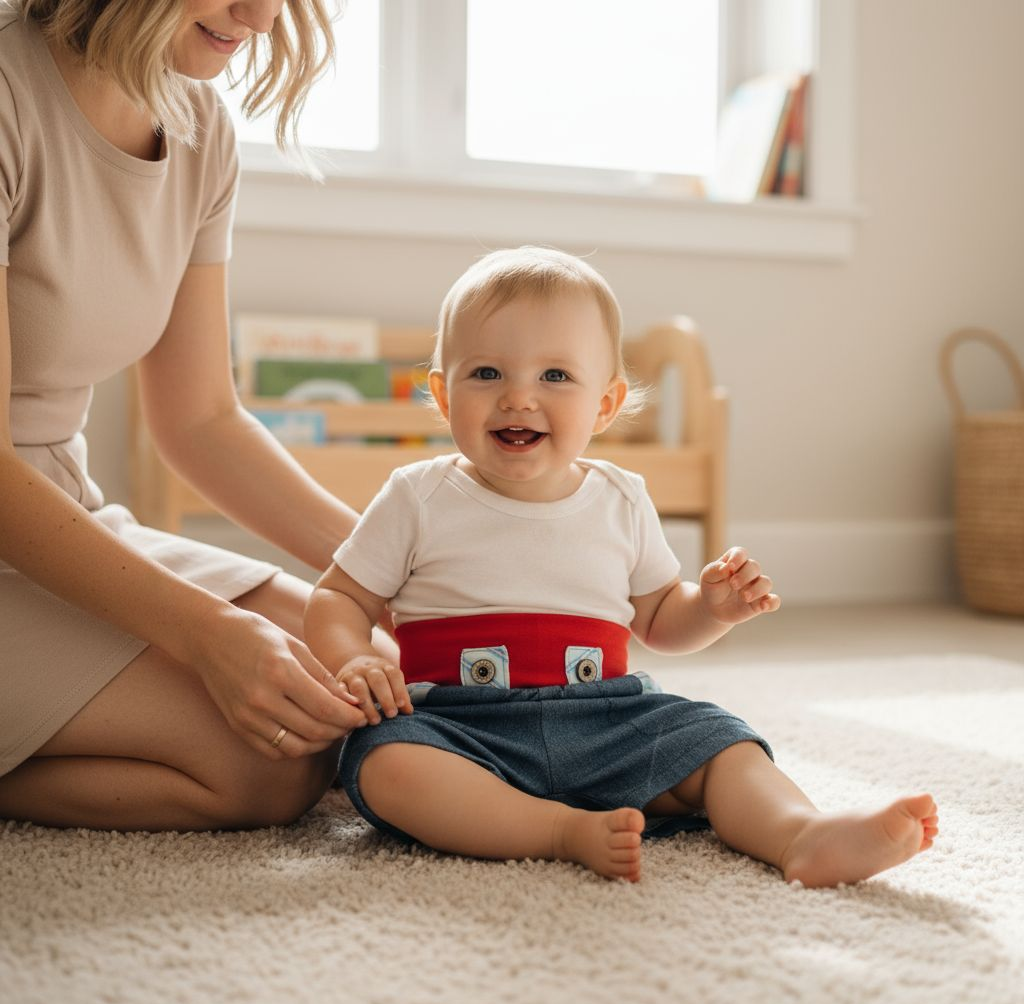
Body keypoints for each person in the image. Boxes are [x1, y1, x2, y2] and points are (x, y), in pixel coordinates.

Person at [304, 246, 940, 887]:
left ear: (605, 405)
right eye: (487, 373)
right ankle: (554, 830)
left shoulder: (621, 497)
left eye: (555, 376)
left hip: (607, 722)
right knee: (386, 764)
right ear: (443, 395)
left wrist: (713, 609)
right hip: (463, 729)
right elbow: (337, 600)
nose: (519, 397)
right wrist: (352, 657)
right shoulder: (417, 494)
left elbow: (661, 619)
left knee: (719, 741)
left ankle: (800, 834)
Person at [0, 0, 378, 831]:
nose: (263, 14)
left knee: (377, 672)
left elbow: (202, 419)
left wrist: (397, 575)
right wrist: (206, 632)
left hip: (64, 517)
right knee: (265, 763)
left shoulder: (199, 129)